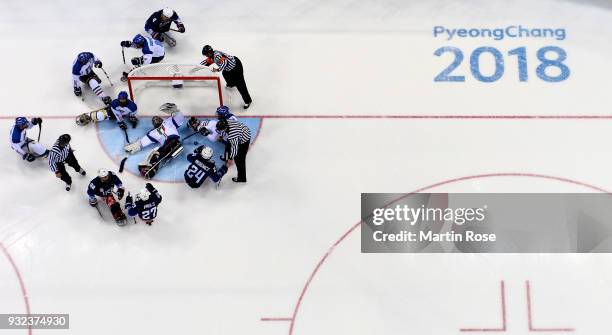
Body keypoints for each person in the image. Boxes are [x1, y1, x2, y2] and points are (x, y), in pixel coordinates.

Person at [123, 103, 185, 178]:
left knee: (157, 151)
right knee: (156, 152)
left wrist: (175, 111)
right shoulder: (153, 132)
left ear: (161, 119)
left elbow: (180, 119)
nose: (156, 120)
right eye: (154, 120)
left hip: (174, 141)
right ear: (153, 124)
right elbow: (144, 141)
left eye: (158, 118)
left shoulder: (168, 122)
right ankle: (150, 169)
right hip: (167, 148)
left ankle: (152, 167)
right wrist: (137, 145)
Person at [201, 45, 252, 109]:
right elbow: (206, 62)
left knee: (240, 84)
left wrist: (217, 70)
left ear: (209, 53)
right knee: (225, 73)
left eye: (206, 54)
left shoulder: (216, 56)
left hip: (236, 66)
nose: (206, 56)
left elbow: (224, 62)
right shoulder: (212, 56)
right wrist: (198, 66)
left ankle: (248, 101)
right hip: (229, 68)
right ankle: (231, 84)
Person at [216, 118, 251, 183]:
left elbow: (234, 148)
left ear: (225, 128)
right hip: (240, 131)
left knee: (239, 159)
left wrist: (231, 158)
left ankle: (242, 178)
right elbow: (223, 131)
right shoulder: (226, 121)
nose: (220, 131)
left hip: (244, 138)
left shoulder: (232, 135)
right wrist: (221, 136)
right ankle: (226, 157)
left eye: (221, 130)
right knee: (228, 146)